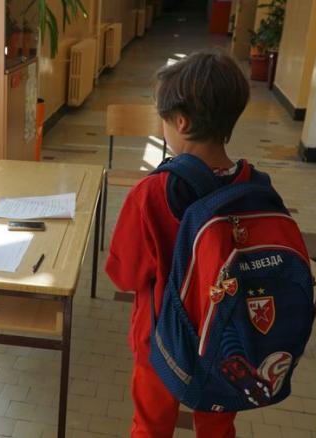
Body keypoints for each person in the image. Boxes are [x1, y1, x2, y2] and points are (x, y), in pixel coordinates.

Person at [105, 50, 254, 437]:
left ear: (182, 122)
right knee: (218, 427)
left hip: (161, 339)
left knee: (151, 425)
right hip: (228, 339)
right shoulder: (251, 187)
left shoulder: (152, 193)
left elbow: (124, 274)